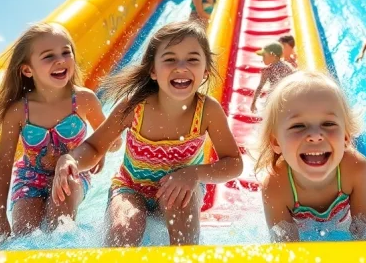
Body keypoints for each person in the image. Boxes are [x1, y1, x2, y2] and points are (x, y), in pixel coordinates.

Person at [51, 20, 243, 247]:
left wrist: (193, 174)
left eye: (192, 59)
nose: (181, 67)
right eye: (170, 59)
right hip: (131, 188)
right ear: (153, 70)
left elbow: (234, 164)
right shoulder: (134, 107)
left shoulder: (207, 111)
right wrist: (70, 159)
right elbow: (95, 147)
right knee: (125, 227)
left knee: (182, 210)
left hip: (180, 187)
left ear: (205, 72)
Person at [0, 23, 117, 244]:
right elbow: (3, 163)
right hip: (31, 175)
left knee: (59, 228)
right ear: (28, 70)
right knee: (25, 235)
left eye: (66, 52)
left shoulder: (84, 100)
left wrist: (98, 148)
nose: (60, 60)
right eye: (48, 56)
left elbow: (113, 142)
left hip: (71, 172)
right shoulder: (19, 111)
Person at [256, 71, 366, 242]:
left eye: (328, 123)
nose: (315, 135)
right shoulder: (275, 187)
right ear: (276, 142)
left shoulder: (354, 168)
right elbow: (287, 252)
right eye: (298, 125)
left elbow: (365, 237)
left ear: (345, 137)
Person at [250, 42, 295, 113]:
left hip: (274, 99)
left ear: (273, 55)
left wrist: (253, 103)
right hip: (287, 98)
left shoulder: (267, 70)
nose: (262, 59)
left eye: (264, 56)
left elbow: (260, 87)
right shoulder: (287, 67)